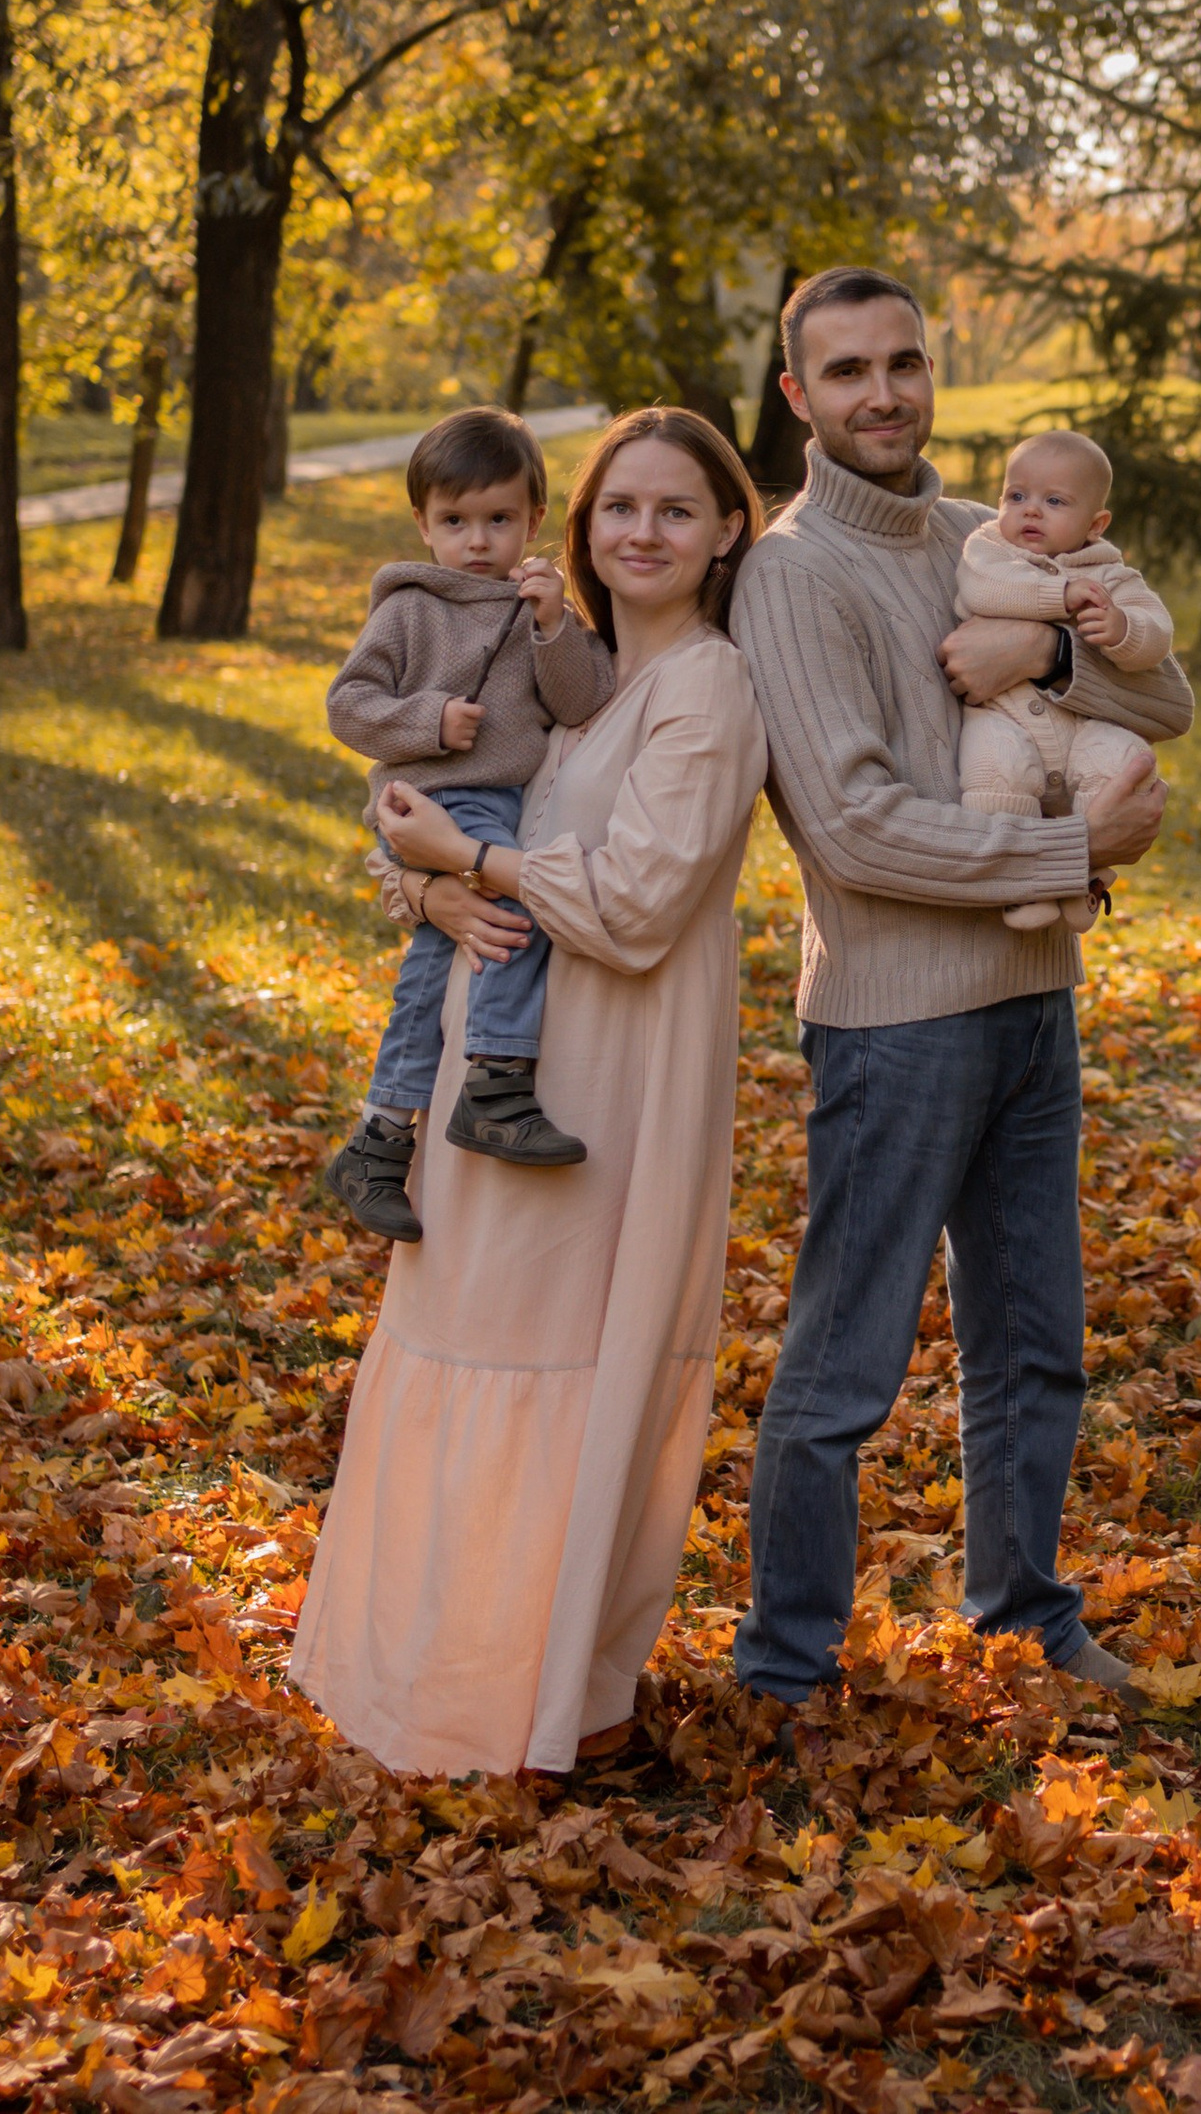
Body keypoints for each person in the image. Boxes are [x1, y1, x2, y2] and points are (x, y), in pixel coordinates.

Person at [729, 265, 1189, 1719]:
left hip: (1032, 1000)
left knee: (1036, 1342)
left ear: (934, 373)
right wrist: (1069, 842)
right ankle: (788, 1667)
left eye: (905, 363)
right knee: (846, 1367)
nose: (884, 393)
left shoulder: (993, 534)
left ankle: (1023, 1614)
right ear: (799, 397)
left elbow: (1165, 702)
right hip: (895, 1019)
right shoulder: (792, 573)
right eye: (848, 371)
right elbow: (853, 827)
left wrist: (1050, 646)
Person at [291, 408, 768, 1778]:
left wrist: (476, 873)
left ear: (727, 529)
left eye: (676, 511)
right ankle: (436, 1681)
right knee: (465, 1340)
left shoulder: (709, 690)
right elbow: (423, 811)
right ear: (584, 525)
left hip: (617, 1072)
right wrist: (432, 880)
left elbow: (636, 903)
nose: (643, 533)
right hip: (490, 1065)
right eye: (621, 508)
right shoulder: (574, 669)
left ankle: (567, 1701)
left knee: (572, 1366)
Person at [320, 410, 618, 1241]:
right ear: (424, 525)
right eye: (454, 522)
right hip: (431, 801)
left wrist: (557, 626)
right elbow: (348, 705)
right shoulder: (410, 610)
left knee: (430, 965)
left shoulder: (540, 612)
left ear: (533, 520)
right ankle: (494, 1078)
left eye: (497, 520)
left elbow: (580, 701)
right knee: (512, 909)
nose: (477, 541)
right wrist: (426, 721)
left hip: (496, 804)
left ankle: (380, 1139)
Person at [954, 430, 1179, 931]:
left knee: (1121, 757)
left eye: (1054, 501)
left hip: (1082, 726)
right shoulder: (989, 550)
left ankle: (1087, 878)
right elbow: (988, 591)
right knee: (993, 768)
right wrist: (1061, 595)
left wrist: (1124, 629)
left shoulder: (1112, 575)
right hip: (1004, 717)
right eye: (1017, 496)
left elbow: (1157, 631)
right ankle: (1020, 887)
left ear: (1095, 524)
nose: (1030, 511)